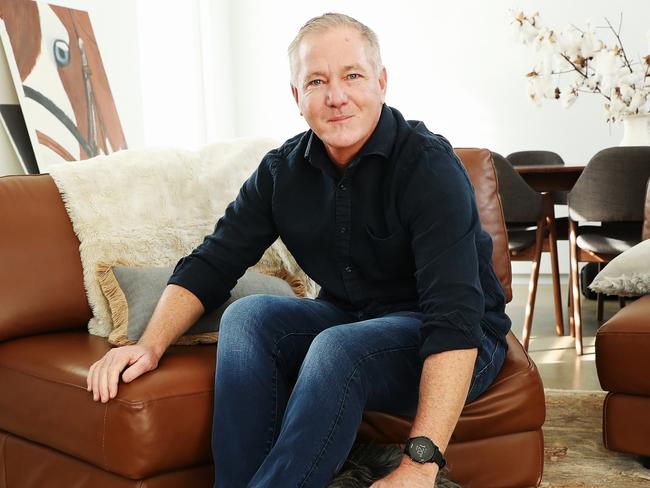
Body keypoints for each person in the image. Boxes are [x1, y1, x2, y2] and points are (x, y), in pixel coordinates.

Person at [87, 12, 511, 488]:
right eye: (316, 81)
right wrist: (147, 345)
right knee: (246, 318)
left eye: (353, 75)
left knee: (338, 348)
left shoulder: (429, 167)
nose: (336, 96)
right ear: (297, 97)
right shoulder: (281, 173)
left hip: (456, 341)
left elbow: (454, 322)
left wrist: (419, 465)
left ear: (381, 82)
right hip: (351, 322)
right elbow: (213, 261)